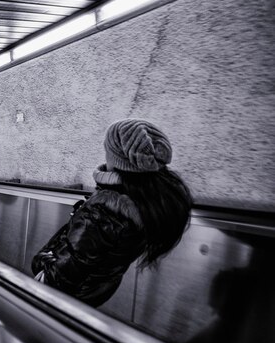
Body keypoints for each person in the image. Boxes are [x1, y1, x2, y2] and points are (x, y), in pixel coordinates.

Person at [32, 119, 192, 307]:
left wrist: (40, 274)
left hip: (63, 301)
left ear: (117, 159)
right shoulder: (141, 202)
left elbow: (58, 281)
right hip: (91, 295)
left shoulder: (104, 213)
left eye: (107, 148)